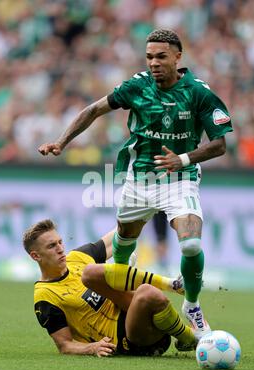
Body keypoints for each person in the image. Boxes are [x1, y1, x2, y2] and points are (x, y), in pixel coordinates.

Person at [38, 29, 233, 339]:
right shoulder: (137, 86)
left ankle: (192, 306)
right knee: (122, 251)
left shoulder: (199, 93)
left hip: (179, 178)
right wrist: (61, 142)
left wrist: (182, 159)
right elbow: (93, 110)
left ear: (178, 56)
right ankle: (122, 302)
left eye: (161, 56)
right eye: (149, 57)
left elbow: (220, 145)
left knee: (192, 243)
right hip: (139, 180)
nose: (154, 63)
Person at [23, 219, 196, 356]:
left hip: (145, 316)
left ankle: (185, 333)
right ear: (35, 256)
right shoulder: (44, 297)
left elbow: (118, 236)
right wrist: (92, 348)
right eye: (52, 246)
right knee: (146, 291)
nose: (61, 249)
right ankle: (189, 334)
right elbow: (65, 345)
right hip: (126, 340)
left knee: (92, 273)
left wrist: (141, 213)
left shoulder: (77, 257)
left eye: (60, 242)